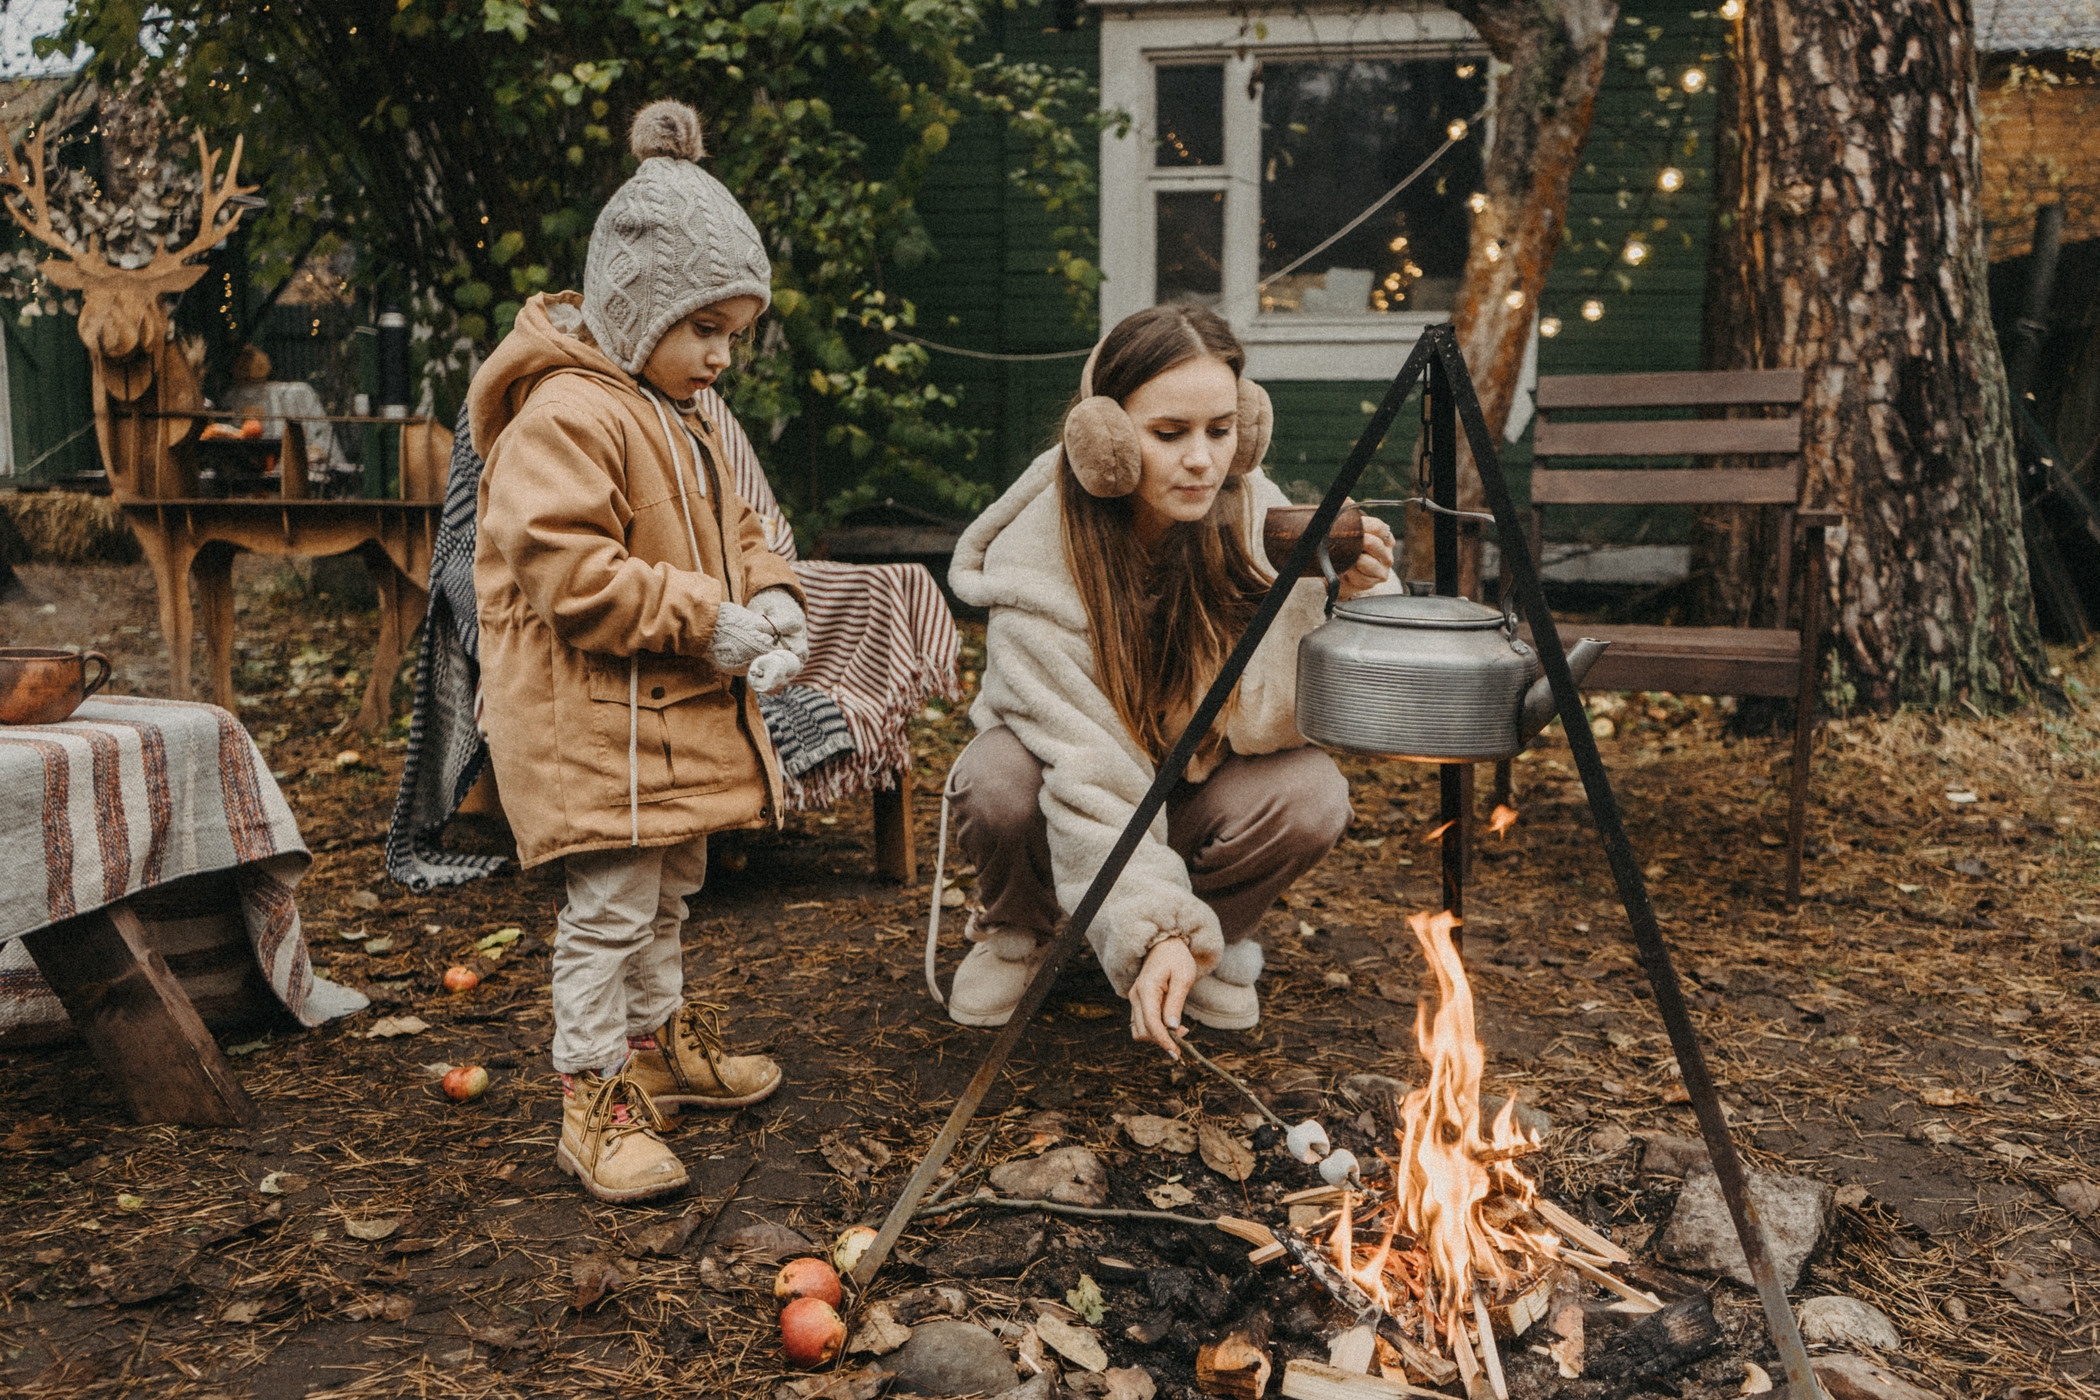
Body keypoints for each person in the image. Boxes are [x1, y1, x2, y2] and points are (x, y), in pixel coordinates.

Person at [470, 99, 808, 1203]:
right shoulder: (566, 414)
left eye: (733, 333)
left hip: (660, 724)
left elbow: (742, 528)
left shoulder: (681, 414)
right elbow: (570, 572)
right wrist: (708, 618)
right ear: (636, 306)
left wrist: (774, 597)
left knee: (670, 888)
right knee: (609, 908)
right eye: (703, 326)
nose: (721, 354)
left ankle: (659, 1047)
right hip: (592, 725)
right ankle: (592, 1095)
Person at [944, 303, 1396, 1055]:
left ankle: (1212, 932)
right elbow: (1090, 775)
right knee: (997, 775)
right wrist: (1154, 931)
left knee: (1314, 792)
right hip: (1070, 799)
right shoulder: (1037, 557)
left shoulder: (1255, 510)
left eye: (1221, 431)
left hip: (1195, 789)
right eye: (1168, 434)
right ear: (1106, 441)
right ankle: (1016, 934)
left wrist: (1343, 595)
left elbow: (1284, 711)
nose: (1203, 461)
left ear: (1247, 426)